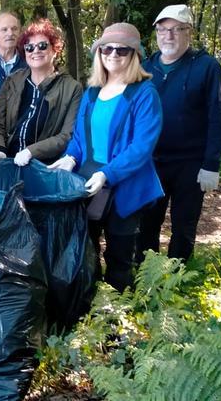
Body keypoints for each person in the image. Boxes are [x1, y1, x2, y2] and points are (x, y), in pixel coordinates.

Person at [49, 23, 163, 292]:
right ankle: (91, 310)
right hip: (88, 184)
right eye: (107, 48)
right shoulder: (92, 92)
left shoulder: (145, 94)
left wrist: (106, 173)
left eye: (122, 50)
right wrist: (70, 159)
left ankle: (116, 320)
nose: (113, 54)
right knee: (87, 251)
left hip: (125, 187)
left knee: (119, 257)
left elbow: (141, 147)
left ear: (134, 55)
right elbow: (79, 138)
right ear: (99, 53)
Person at [138, 4, 221, 262]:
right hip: (151, 163)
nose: (169, 35)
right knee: (146, 225)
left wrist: (211, 164)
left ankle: (177, 281)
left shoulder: (207, 67)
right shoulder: (145, 68)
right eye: (163, 29)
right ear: (156, 32)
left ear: (189, 32)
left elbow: (218, 117)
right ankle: (147, 279)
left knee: (183, 227)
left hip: (190, 164)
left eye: (177, 29)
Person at [0, 18, 82, 170]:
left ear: (54, 50)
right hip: (8, 163)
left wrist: (31, 151)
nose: (36, 51)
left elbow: (66, 136)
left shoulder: (72, 88)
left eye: (42, 46)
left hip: (45, 168)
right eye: (29, 47)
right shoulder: (13, 81)